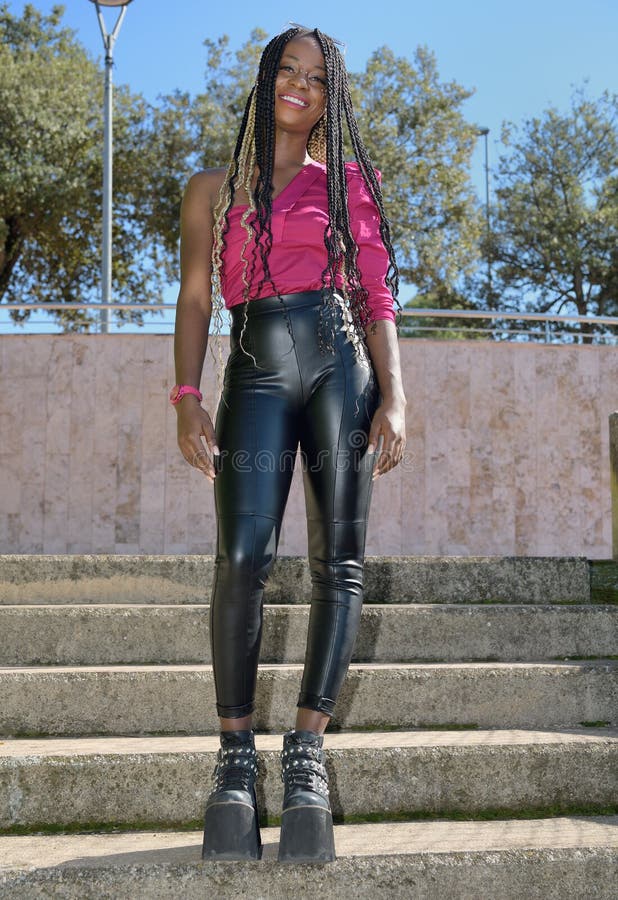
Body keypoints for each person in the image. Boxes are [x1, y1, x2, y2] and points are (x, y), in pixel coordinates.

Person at [171, 24, 407, 863]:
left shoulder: (348, 184)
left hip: (342, 367)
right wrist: (188, 399)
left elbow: (378, 296)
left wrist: (398, 397)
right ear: (267, 78)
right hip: (257, 372)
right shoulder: (211, 188)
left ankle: (307, 754)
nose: (300, 86)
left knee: (338, 561)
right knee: (242, 554)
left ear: (330, 96)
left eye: (316, 77)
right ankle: (235, 761)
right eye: (288, 71)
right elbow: (197, 298)